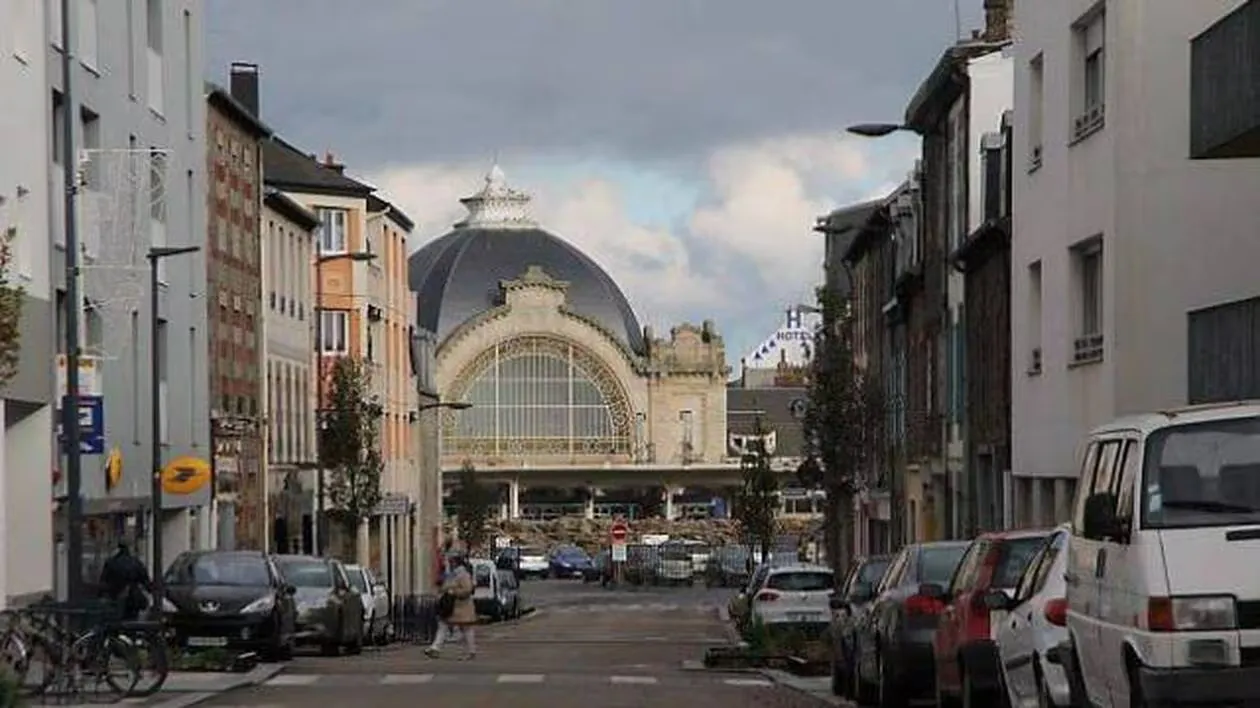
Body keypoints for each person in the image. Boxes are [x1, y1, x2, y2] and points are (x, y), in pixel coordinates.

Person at [425, 552, 477, 660]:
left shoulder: (462, 574)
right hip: (453, 607)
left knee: (465, 629)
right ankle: (435, 648)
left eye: (451, 561)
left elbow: (467, 589)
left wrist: (453, 592)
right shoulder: (453, 574)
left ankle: (471, 651)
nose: (450, 563)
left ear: (456, 562)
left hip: (461, 607)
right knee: (443, 625)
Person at [99, 541, 154, 620]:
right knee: (132, 621)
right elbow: (145, 581)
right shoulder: (135, 562)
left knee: (115, 621)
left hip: (115, 597)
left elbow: (104, 581)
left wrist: (102, 595)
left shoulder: (111, 562)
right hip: (133, 598)